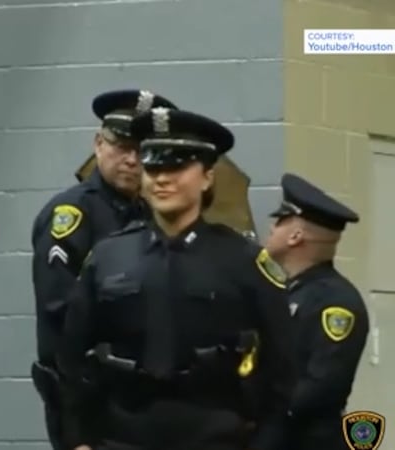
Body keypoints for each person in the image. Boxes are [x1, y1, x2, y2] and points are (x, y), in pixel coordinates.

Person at [57, 107, 296, 450]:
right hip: (122, 435)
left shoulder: (243, 262)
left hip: (215, 437)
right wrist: (77, 440)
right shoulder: (108, 257)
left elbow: (282, 369)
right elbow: (71, 358)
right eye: (153, 166)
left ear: (207, 177)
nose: (162, 178)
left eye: (177, 166)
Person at [30, 89, 178, 450]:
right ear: (99, 144)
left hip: (140, 402)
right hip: (87, 397)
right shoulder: (74, 215)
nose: (131, 160)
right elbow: (60, 312)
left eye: (141, 151)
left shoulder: (151, 215)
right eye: (121, 147)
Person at [264, 173, 369, 450]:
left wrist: (262, 416)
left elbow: (320, 385)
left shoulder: (336, 302)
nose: (272, 229)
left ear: (296, 236)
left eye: (280, 221)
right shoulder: (288, 289)